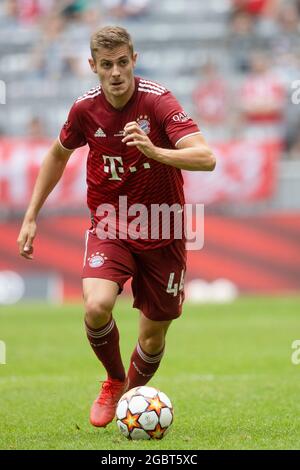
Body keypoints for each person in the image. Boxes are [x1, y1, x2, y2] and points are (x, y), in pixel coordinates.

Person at [17, 26, 216, 428]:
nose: (115, 72)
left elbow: (206, 157)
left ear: (134, 61)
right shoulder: (84, 110)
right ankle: (113, 380)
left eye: (122, 62)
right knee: (95, 306)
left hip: (164, 227)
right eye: (106, 65)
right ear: (93, 66)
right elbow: (57, 155)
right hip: (112, 224)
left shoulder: (158, 101)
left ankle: (130, 397)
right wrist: (31, 214)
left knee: (154, 336)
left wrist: (154, 150)